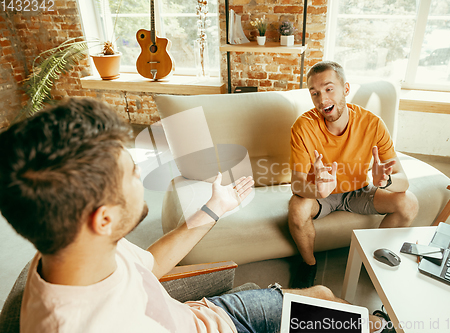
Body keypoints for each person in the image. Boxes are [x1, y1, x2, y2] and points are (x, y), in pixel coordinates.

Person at [0, 98, 391, 333]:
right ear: (102, 218)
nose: (146, 176)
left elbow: (147, 266)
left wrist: (212, 209)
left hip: (208, 315)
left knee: (327, 299)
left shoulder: (74, 247)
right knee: (338, 318)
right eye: (134, 173)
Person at [288, 61, 419, 289]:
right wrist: (317, 189)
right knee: (297, 208)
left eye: (329, 89)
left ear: (345, 89)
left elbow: (403, 180)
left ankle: (372, 260)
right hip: (321, 195)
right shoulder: (302, 127)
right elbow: (297, 184)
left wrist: (385, 180)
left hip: (358, 191)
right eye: (315, 93)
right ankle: (308, 264)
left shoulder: (373, 124)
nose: (322, 99)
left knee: (409, 203)